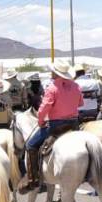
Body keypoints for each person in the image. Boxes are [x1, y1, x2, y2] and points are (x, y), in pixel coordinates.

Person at [20, 59, 83, 193]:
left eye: (52, 71)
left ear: (56, 73)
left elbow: (44, 108)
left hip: (56, 125)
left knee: (30, 145)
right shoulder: (76, 85)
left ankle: (33, 179)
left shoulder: (52, 87)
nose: (50, 73)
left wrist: (41, 121)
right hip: (74, 124)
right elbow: (80, 104)